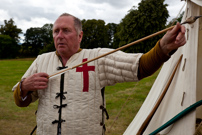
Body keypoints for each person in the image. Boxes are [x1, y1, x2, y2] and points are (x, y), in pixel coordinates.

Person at [12, 13, 186, 135]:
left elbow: (139, 67)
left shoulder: (97, 58)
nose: (59, 36)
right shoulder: (41, 61)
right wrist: (24, 86)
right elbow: (21, 100)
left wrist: (163, 48)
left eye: (66, 30)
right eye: (56, 31)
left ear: (80, 36)